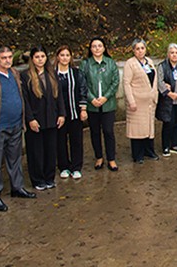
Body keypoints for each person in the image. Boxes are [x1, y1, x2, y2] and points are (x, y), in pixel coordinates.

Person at [0, 45, 33, 213]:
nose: (8, 60)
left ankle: (17, 187)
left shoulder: (14, 73)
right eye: (4, 58)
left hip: (16, 124)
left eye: (10, 57)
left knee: (15, 158)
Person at [21, 45, 65, 190]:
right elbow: (25, 100)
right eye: (37, 57)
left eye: (42, 56)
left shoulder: (51, 74)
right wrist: (30, 119)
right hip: (35, 119)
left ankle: (49, 177)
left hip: (51, 118)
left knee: (51, 150)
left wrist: (61, 114)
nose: (40, 60)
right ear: (32, 59)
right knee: (36, 151)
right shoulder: (26, 76)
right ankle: (37, 179)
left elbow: (59, 97)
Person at [82, 37, 119, 171]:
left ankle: (111, 158)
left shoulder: (110, 63)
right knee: (95, 132)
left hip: (108, 104)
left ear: (104, 48)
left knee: (108, 131)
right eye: (94, 46)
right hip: (92, 105)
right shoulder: (85, 64)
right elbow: (83, 83)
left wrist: (106, 97)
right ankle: (99, 157)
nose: (97, 48)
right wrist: (91, 99)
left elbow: (115, 82)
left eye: (99, 46)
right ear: (90, 49)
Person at [55, 45, 88, 180]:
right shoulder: (52, 74)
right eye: (62, 55)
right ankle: (64, 167)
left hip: (74, 111)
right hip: (59, 114)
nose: (65, 58)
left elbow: (83, 90)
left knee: (76, 140)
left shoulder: (76, 72)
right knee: (60, 141)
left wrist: (83, 109)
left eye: (67, 55)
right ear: (57, 57)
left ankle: (76, 167)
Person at [124, 39, 159, 164]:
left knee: (149, 127)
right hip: (137, 102)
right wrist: (131, 101)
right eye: (137, 49)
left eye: (142, 48)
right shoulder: (130, 64)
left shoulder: (149, 62)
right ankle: (137, 154)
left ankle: (149, 151)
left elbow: (154, 78)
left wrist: (155, 94)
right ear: (133, 50)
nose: (140, 51)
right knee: (137, 129)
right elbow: (126, 83)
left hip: (149, 101)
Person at [156, 43, 177, 156]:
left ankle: (175, 144)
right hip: (168, 100)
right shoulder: (162, 66)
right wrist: (169, 94)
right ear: (168, 54)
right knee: (168, 123)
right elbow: (159, 82)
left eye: (176, 53)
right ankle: (165, 146)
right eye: (172, 53)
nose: (174, 55)